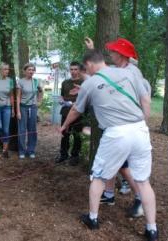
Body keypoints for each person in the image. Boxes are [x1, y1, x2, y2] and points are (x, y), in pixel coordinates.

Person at [60, 50, 158, 241]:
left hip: (116, 134)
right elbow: (145, 98)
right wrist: (143, 122)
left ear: (88, 64)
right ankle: (152, 229)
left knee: (98, 177)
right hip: (139, 130)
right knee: (143, 181)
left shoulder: (89, 83)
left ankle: (93, 218)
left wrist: (64, 126)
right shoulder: (128, 73)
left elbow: (76, 110)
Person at [85, 37, 151, 217]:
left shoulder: (132, 72)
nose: (110, 54)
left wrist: (141, 124)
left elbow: (144, 98)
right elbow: (101, 69)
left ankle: (139, 198)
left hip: (128, 128)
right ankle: (108, 194)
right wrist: (92, 49)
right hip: (116, 127)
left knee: (124, 166)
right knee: (114, 164)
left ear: (121, 55)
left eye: (113, 51)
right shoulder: (116, 69)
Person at [56, 61, 84, 165]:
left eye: (76, 69)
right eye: (71, 69)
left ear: (79, 70)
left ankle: (75, 157)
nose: (73, 71)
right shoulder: (65, 83)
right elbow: (62, 96)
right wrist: (62, 100)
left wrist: (75, 103)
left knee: (77, 135)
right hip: (65, 112)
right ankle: (63, 155)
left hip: (78, 113)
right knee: (64, 134)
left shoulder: (83, 82)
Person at [16, 63, 43, 159]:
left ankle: (31, 150)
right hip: (23, 107)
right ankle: (22, 150)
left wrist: (39, 101)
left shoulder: (36, 81)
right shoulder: (20, 82)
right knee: (22, 130)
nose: (31, 71)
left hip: (33, 107)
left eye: (32, 70)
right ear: (24, 71)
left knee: (32, 129)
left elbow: (40, 91)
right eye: (29, 70)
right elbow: (18, 97)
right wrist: (18, 111)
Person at [0, 63, 15, 159]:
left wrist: (12, 108)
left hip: (7, 107)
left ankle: (5, 151)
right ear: (0, 70)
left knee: (6, 129)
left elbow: (11, 95)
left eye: (7, 69)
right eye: (5, 69)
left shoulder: (10, 81)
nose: (7, 71)